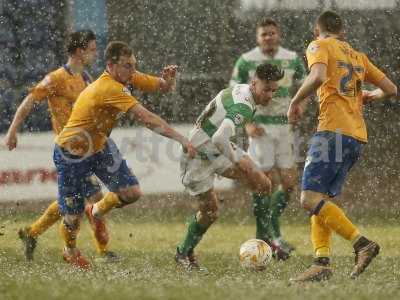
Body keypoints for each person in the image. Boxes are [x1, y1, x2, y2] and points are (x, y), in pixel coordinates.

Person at [4, 31, 178, 263]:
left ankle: (36, 234)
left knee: (85, 200)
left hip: (93, 147)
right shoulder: (55, 78)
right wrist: (12, 130)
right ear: (79, 51)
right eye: (92, 49)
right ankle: (85, 250)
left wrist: (164, 81)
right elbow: (29, 101)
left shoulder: (88, 78)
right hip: (72, 152)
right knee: (86, 201)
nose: (96, 53)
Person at [53, 40, 196, 269]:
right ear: (111, 65)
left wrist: (169, 81)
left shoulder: (126, 76)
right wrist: (181, 139)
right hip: (72, 153)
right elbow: (147, 119)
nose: (133, 71)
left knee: (131, 193)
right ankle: (70, 250)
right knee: (72, 217)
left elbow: (161, 85)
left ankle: (96, 210)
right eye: (128, 66)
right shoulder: (109, 88)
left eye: (134, 65)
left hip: (99, 147)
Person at [287, 10, 397, 282]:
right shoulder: (357, 56)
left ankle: (362, 244)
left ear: (317, 29)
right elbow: (392, 89)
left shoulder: (318, 45)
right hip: (356, 135)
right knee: (320, 199)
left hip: (331, 132)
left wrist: (294, 102)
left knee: (308, 199)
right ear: (343, 31)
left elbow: (318, 76)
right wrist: (373, 94)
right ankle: (321, 262)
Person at [175, 63, 284, 272]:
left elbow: (219, 135)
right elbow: (219, 137)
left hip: (215, 149)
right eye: (266, 89)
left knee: (263, 184)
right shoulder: (244, 105)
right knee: (211, 213)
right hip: (198, 156)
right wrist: (237, 159)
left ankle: (263, 243)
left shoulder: (244, 90)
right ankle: (183, 251)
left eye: (273, 90)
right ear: (254, 84)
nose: (270, 95)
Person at [230, 18, 306, 259]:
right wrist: (248, 122)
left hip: (285, 128)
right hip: (260, 128)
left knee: (290, 183)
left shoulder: (292, 58)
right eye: (264, 34)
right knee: (263, 183)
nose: (268, 37)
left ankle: (272, 231)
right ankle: (265, 235)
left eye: (272, 33)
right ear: (257, 37)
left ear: (279, 35)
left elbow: (307, 86)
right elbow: (234, 92)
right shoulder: (247, 60)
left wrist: (300, 106)